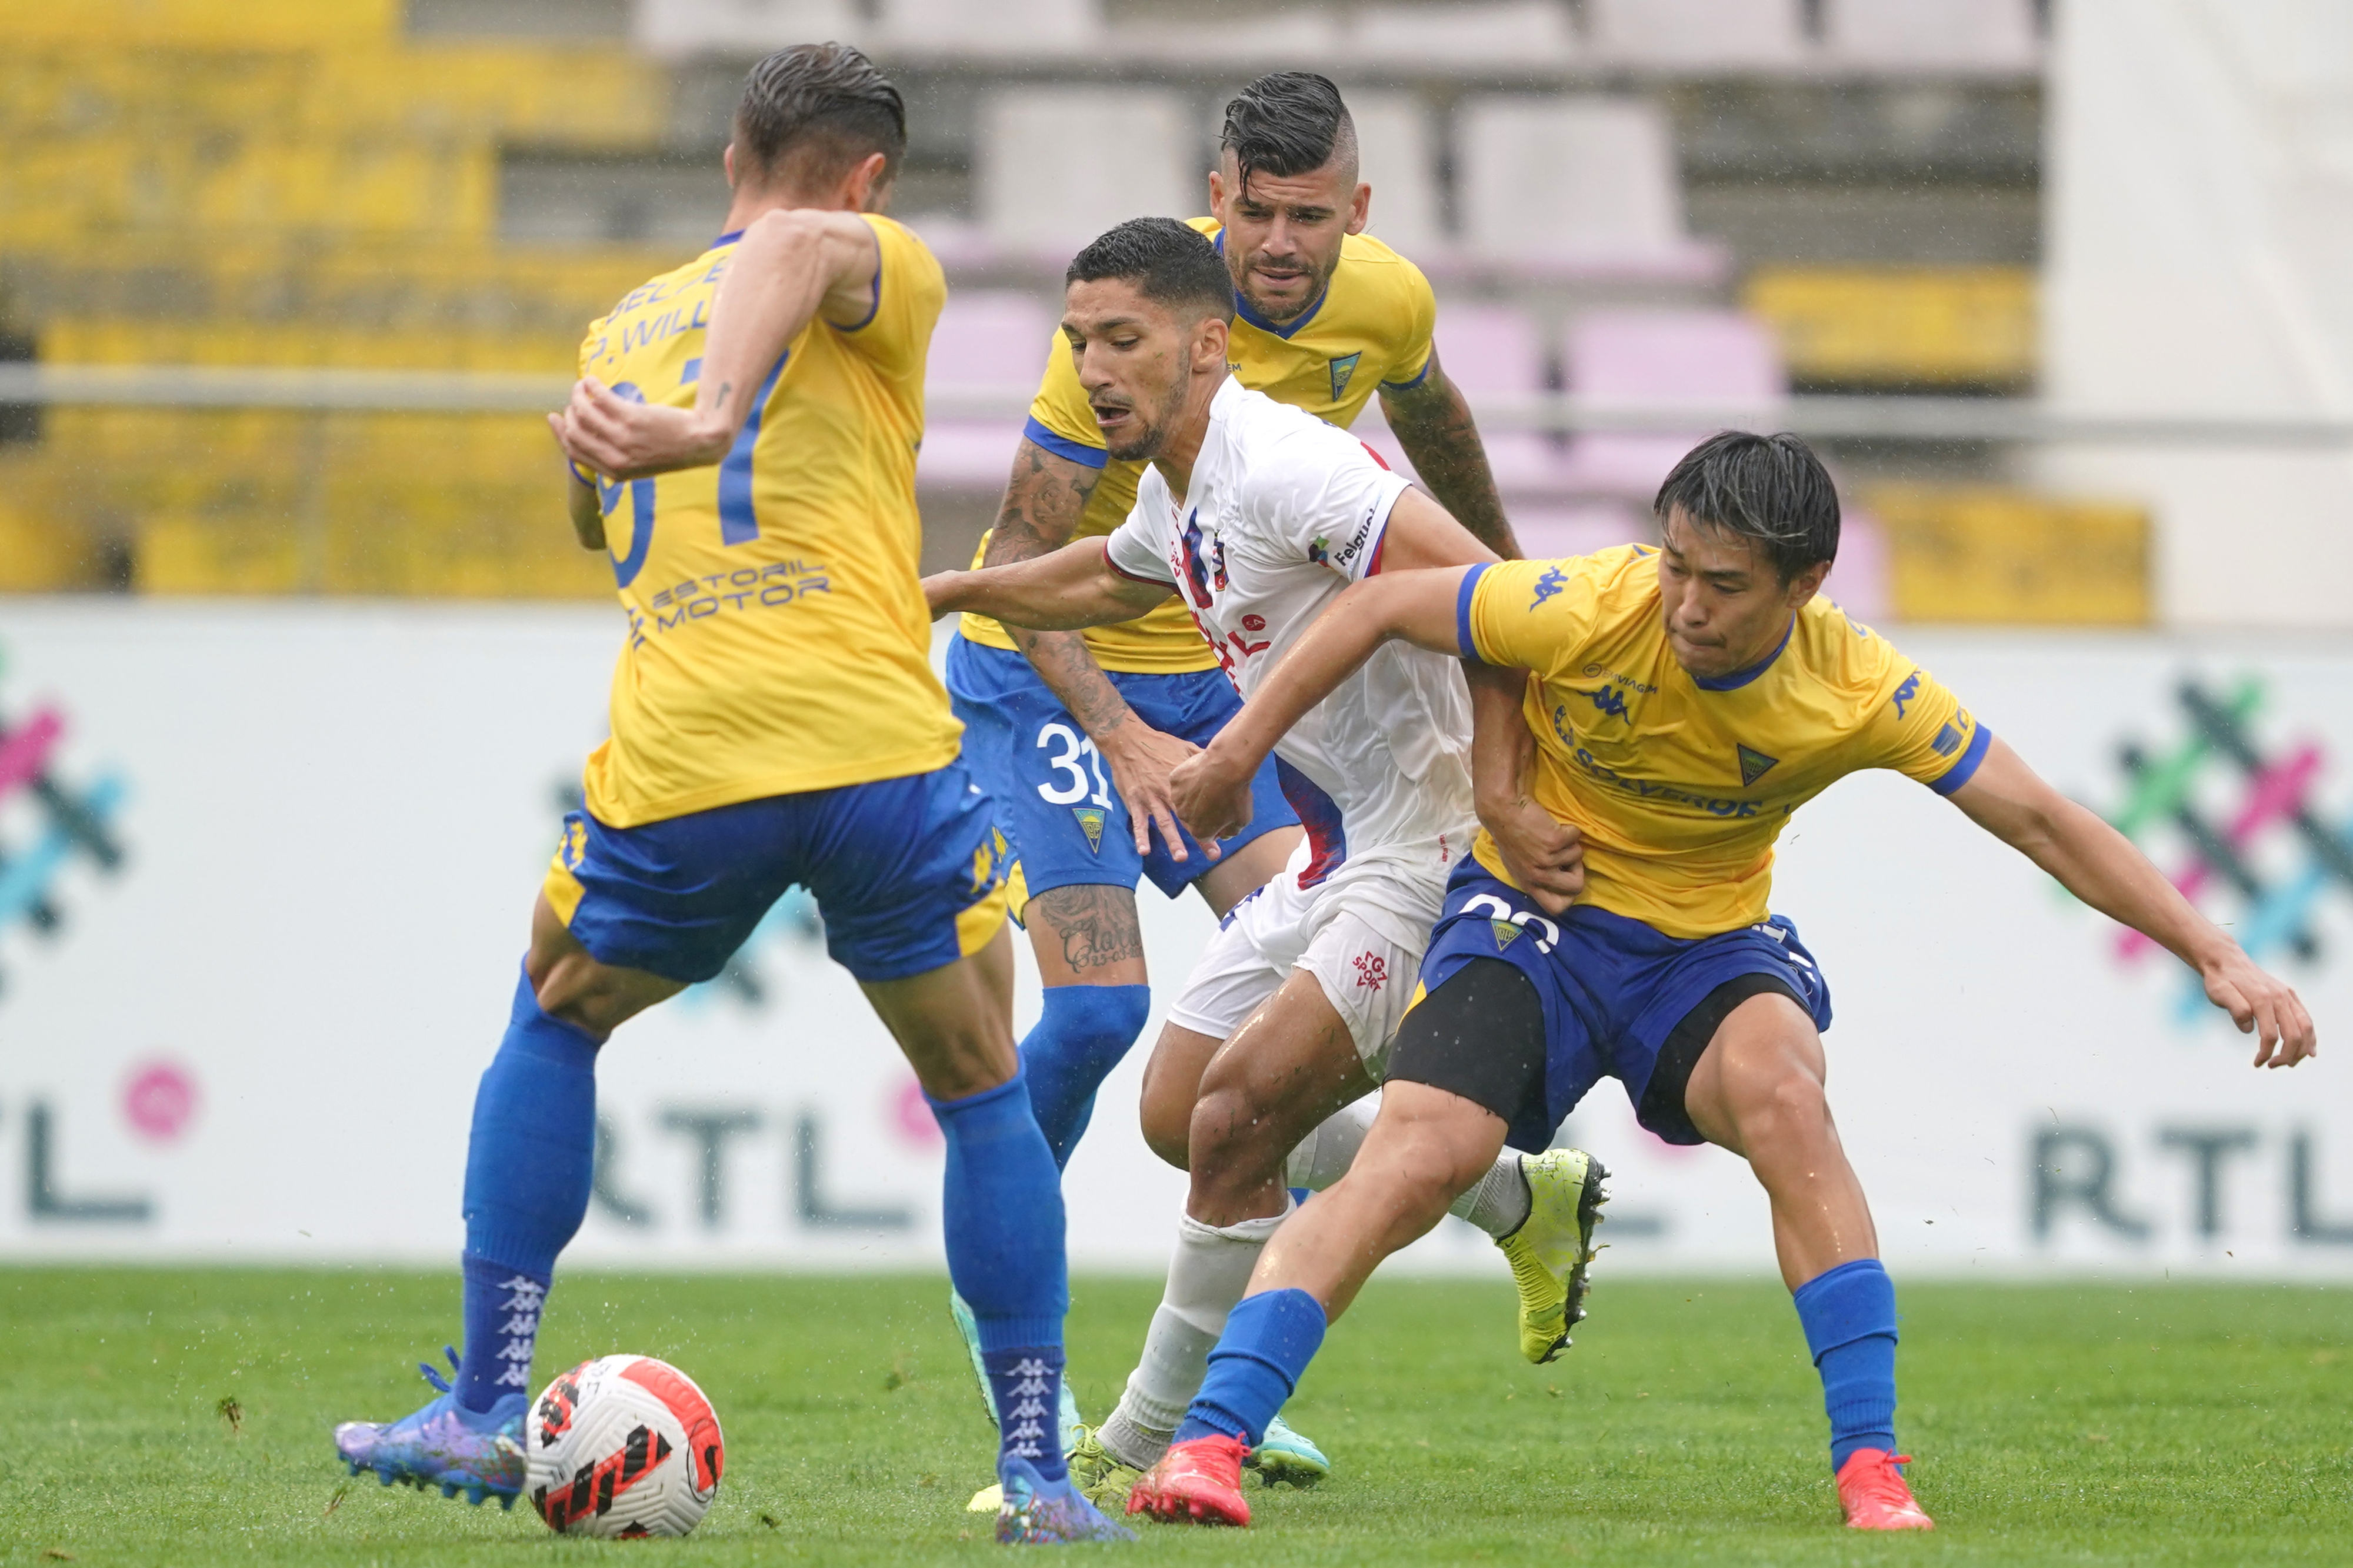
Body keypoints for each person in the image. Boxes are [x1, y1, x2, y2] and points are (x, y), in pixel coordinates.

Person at [1134, 430, 2319, 1531]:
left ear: (1801, 588)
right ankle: (1209, 1444)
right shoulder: (1592, 600)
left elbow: (2044, 821)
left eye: (1723, 584)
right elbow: (1392, 605)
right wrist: (1252, 750)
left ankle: (1869, 1465)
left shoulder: (1857, 686)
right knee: (1416, 1152)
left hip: (1698, 952)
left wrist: (2213, 950)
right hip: (1523, 924)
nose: (1685, 605)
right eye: (1676, 565)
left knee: (1786, 1100)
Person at [329, 45, 1132, 1546]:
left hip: (689, 752)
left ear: (726, 156)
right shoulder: (874, 254)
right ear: (869, 174)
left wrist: (655, 434)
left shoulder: (624, 324)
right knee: (979, 1091)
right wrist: (707, 423)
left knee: (554, 1014)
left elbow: (591, 497)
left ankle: (490, 1408)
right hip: (875, 745)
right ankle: (1034, 1475)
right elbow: (804, 244)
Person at [924, 217, 1606, 1514]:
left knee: (1237, 1121)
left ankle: (1132, 1442)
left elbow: (1499, 603)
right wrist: (953, 594)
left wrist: (1504, 796)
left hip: (1431, 854)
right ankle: (1523, 1198)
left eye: (1122, 339)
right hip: (1344, 851)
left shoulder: (1290, 467)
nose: (1095, 370)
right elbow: (1116, 583)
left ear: (1207, 341)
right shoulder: (1180, 486)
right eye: (1078, 344)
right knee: (1179, 1113)